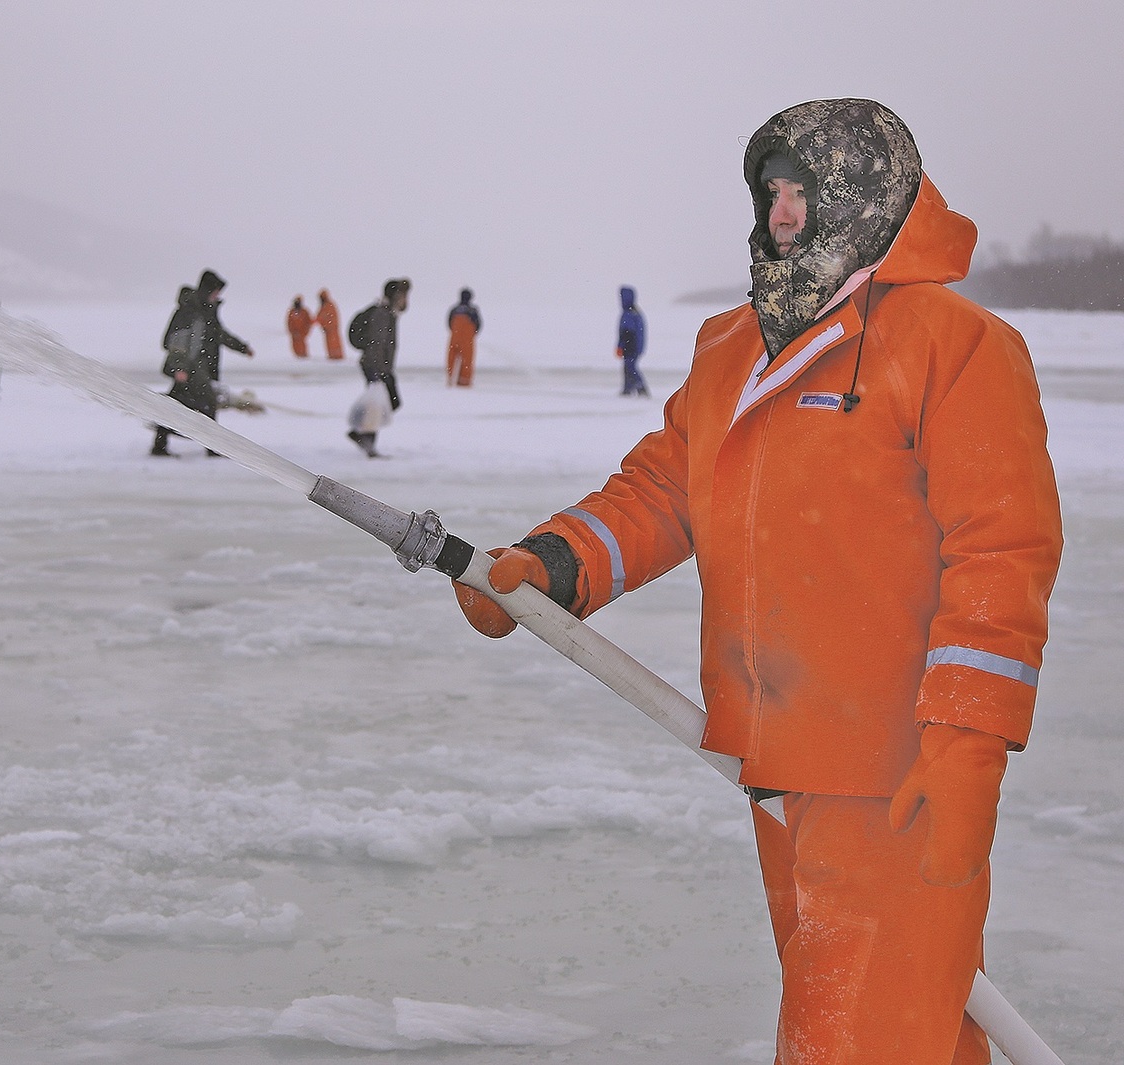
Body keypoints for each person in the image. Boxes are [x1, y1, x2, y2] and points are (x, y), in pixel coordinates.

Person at [451, 99, 1062, 1064]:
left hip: (894, 773)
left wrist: (965, 747)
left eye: (805, 193)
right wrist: (556, 565)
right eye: (772, 190)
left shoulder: (954, 345)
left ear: (863, 200)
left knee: (851, 1042)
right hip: (774, 758)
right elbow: (664, 490)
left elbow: (1001, 557)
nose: (782, 213)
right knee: (910, 1034)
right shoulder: (733, 344)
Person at [151, 269, 254, 457]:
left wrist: (242, 347)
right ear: (207, 289)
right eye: (216, 290)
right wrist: (180, 367)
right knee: (207, 402)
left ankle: (161, 444)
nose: (218, 295)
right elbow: (176, 341)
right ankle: (211, 446)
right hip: (190, 366)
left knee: (176, 403)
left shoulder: (207, 311)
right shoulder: (189, 311)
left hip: (200, 365)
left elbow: (219, 334)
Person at [346, 277, 410, 457]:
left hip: (381, 367)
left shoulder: (389, 313)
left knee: (387, 403)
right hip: (375, 366)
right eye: (402, 296)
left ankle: (362, 435)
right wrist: (378, 372)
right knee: (378, 405)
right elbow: (377, 343)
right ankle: (365, 439)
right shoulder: (382, 314)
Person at [615, 285, 649, 396]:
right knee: (628, 367)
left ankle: (640, 388)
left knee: (630, 367)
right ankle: (627, 389)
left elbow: (627, 332)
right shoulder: (635, 312)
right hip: (635, 345)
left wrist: (621, 345)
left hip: (631, 346)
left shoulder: (629, 314)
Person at [446, 287, 482, 386]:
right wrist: (472, 333)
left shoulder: (454, 309)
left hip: (455, 337)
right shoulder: (473, 310)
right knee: (467, 361)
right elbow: (478, 324)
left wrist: (455, 332)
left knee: (451, 358)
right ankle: (464, 382)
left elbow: (449, 323)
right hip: (467, 339)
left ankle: (450, 379)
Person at [316, 288, 345, 360]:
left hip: (331, 329)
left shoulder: (329, 305)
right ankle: (332, 356)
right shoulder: (325, 306)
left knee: (334, 343)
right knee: (330, 343)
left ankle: (337, 356)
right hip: (328, 329)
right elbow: (320, 317)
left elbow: (329, 317)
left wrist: (328, 326)